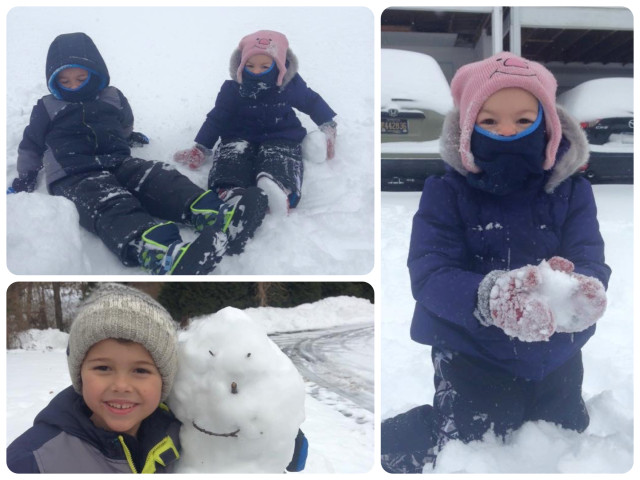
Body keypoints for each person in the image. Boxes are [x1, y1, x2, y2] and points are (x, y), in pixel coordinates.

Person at [383, 52, 611, 473]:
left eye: (523, 120)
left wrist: (584, 287)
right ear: (468, 128)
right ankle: (381, 444)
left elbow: (588, 255)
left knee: (564, 434)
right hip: (472, 349)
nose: (507, 131)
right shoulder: (446, 191)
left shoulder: (572, 191)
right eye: (489, 121)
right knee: (474, 441)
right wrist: (490, 297)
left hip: (556, 349)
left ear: (549, 123)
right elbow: (430, 270)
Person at [8, 32, 267, 275]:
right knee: (110, 202)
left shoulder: (111, 96)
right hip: (74, 174)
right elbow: (31, 145)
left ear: (96, 73)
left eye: (80, 78)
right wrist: (26, 176)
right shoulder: (47, 106)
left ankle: (213, 213)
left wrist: (127, 136)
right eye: (64, 81)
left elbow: (124, 121)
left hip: (119, 160)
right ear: (53, 80)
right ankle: (157, 251)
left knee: (157, 176)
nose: (73, 86)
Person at [6, 284, 182, 473]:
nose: (121, 386)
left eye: (140, 371)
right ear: (79, 374)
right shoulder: (31, 461)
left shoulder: (179, 437)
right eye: (103, 368)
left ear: (164, 380)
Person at [174, 30, 337, 215]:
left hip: (281, 133)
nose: (256, 71)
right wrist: (201, 147)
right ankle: (229, 191)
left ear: (279, 65)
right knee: (232, 156)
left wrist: (328, 124)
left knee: (280, 156)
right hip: (239, 135)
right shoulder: (233, 89)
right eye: (250, 65)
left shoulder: (288, 85)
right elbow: (217, 118)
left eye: (264, 66)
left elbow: (311, 101)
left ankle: (278, 188)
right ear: (240, 64)